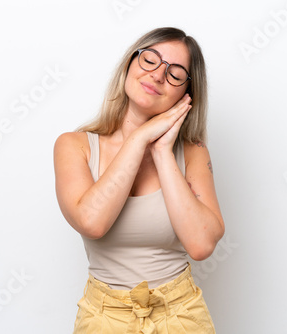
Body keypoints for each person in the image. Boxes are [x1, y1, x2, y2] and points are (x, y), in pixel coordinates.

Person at [53, 27, 225, 333]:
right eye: (150, 59)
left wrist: (161, 152)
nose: (158, 75)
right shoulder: (73, 145)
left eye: (175, 73)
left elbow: (201, 245)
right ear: (130, 64)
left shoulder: (193, 154)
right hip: (104, 317)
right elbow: (92, 222)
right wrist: (140, 138)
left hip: (181, 314)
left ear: (187, 94)